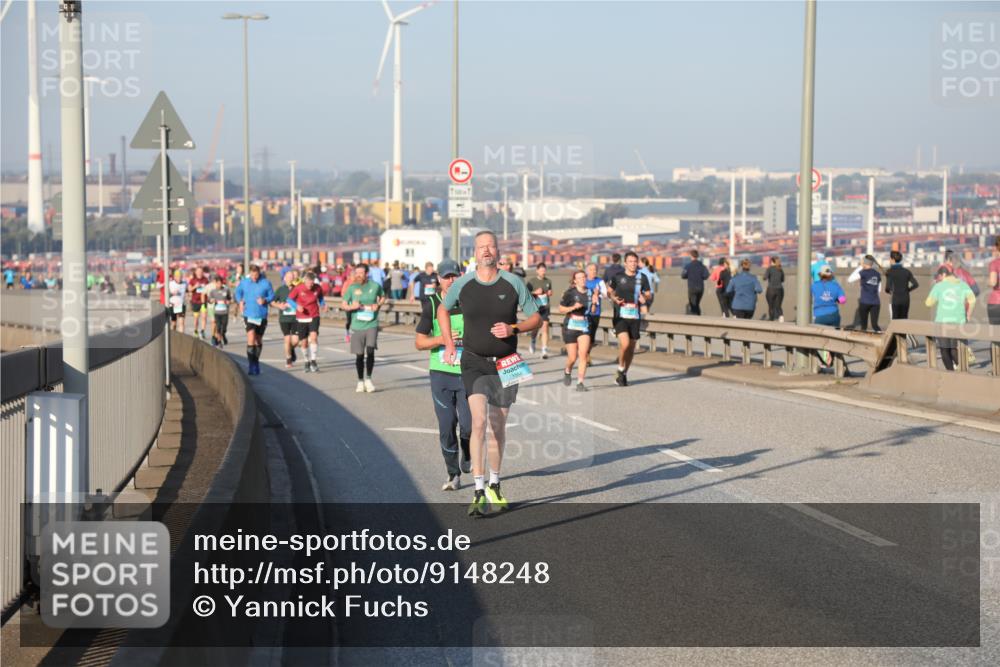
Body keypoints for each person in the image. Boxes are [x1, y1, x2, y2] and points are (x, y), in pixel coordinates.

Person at [438, 231, 541, 517]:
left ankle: (495, 483)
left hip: (506, 362)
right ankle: (479, 489)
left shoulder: (512, 283)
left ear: (498, 251)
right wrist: (448, 342)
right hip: (474, 361)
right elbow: (442, 311)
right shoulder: (463, 284)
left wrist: (514, 329)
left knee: (497, 426)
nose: (486, 251)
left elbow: (536, 317)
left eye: (490, 246)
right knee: (478, 422)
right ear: (475, 252)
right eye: (481, 247)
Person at [414, 259, 471, 491]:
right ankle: (452, 474)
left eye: (454, 276)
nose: (451, 280)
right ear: (438, 278)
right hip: (441, 373)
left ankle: (467, 453)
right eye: (446, 276)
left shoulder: (470, 303)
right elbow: (419, 342)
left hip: (468, 371)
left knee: (468, 426)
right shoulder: (432, 304)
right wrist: (444, 339)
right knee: (447, 426)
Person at [607, 251, 652, 387]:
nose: (633, 264)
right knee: (625, 343)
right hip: (620, 314)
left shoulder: (642, 277)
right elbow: (610, 291)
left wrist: (645, 297)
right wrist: (614, 298)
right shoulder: (618, 276)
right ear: (625, 263)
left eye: (635, 261)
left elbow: (648, 293)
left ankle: (624, 374)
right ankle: (621, 368)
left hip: (634, 315)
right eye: (630, 261)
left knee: (631, 348)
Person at [340, 263, 386, 392]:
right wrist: (351, 307)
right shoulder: (352, 288)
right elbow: (343, 305)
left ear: (366, 274)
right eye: (357, 273)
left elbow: (383, 297)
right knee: (359, 355)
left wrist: (378, 304)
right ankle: (360, 381)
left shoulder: (375, 286)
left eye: (361, 273)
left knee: (370, 350)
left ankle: (369, 379)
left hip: (371, 323)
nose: (358, 275)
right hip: (357, 325)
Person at [926, 266, 976, 371]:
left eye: (938, 276)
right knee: (954, 349)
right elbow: (972, 300)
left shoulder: (939, 286)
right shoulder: (962, 284)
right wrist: (968, 315)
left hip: (942, 322)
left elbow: (928, 303)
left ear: (943, 275)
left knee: (944, 350)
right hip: (959, 321)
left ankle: (950, 374)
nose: (938, 279)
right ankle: (963, 372)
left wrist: (936, 289)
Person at [234, 264, 275, 376]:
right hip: (249, 314)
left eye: (256, 275)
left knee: (258, 340)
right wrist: (240, 301)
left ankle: (256, 362)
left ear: (259, 273)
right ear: (250, 273)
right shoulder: (245, 282)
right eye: (252, 275)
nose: (254, 277)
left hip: (261, 315)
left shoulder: (266, 283)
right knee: (251, 337)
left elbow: (272, 296)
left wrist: (265, 300)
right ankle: (251, 365)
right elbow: (237, 292)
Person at [559, 270, 593, 391]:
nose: (583, 279)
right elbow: (561, 309)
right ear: (575, 280)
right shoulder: (570, 293)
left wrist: (594, 303)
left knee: (583, 355)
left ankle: (580, 383)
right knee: (572, 358)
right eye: (580, 278)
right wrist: (573, 307)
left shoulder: (590, 292)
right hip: (571, 325)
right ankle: (567, 370)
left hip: (584, 325)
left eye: (584, 277)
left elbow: (592, 309)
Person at [288, 271, 326, 373]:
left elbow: (321, 297)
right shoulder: (298, 288)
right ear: (305, 281)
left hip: (314, 315)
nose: (311, 285)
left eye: (312, 282)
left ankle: (313, 361)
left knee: (314, 337)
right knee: (303, 343)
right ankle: (306, 361)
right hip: (302, 317)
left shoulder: (317, 287)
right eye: (309, 282)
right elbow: (289, 300)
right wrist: (297, 306)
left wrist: (323, 304)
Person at [272, 269, 301, 368]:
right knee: (287, 339)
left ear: (294, 279)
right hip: (284, 319)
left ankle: (291, 349)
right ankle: (288, 359)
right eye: (288, 277)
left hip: (295, 318)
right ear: (284, 278)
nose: (290, 279)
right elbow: (272, 302)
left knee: (295, 340)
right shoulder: (280, 289)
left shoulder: (297, 289)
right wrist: (279, 306)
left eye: (291, 277)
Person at [848, 255, 883, 332]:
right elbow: (879, 290)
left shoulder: (863, 273)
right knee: (875, 325)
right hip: (876, 302)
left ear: (864, 263)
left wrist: (860, 267)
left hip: (864, 302)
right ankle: (883, 340)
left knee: (864, 326)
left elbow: (850, 279)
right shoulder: (877, 274)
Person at [526, 263, 553, 358]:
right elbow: (526, 294)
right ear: (537, 271)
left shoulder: (548, 281)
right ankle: (533, 340)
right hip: (535, 308)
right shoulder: (532, 281)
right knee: (536, 328)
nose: (543, 272)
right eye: (541, 270)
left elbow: (550, 291)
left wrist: (550, 293)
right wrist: (535, 292)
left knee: (545, 327)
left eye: (544, 270)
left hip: (545, 307)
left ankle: (544, 350)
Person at [884, 250, 919, 320]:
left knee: (895, 319)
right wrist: (907, 290)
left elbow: (887, 288)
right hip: (905, 299)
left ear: (893, 259)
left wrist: (890, 291)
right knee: (904, 319)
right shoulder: (906, 272)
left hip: (895, 299)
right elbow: (916, 284)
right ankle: (904, 331)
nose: (889, 260)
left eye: (890, 259)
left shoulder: (889, 272)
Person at [584, 263, 608, 363]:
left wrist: (598, 294)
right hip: (584, 313)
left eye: (595, 270)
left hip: (595, 313)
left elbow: (605, 295)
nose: (593, 271)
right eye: (591, 269)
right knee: (586, 335)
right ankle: (585, 356)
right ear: (587, 271)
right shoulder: (583, 281)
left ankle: (587, 353)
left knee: (592, 337)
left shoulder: (600, 281)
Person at [681, 249, 710, 315]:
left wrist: (689, 276)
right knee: (697, 303)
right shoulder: (702, 266)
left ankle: (695, 318)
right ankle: (698, 316)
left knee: (693, 304)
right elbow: (706, 276)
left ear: (691, 256)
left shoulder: (688, 266)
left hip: (692, 287)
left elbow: (683, 275)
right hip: (700, 288)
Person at [207, 274, 232, 347]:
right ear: (215, 283)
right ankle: (219, 341)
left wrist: (228, 301)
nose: (219, 284)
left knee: (224, 327)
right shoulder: (213, 291)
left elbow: (230, 299)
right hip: (217, 312)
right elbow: (209, 300)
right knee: (218, 327)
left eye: (220, 283)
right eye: (217, 283)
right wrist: (211, 301)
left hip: (224, 312)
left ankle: (223, 334)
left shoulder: (226, 290)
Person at [188, 265, 210, 339]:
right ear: (196, 272)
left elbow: (209, 289)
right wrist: (195, 286)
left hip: (203, 301)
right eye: (198, 271)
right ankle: (195, 330)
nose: (199, 273)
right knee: (196, 318)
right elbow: (189, 289)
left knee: (204, 317)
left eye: (201, 271)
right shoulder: (192, 280)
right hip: (195, 301)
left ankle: (203, 331)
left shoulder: (205, 280)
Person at [763, 256, 785, 322]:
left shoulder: (769, 268)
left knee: (771, 306)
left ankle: (771, 318)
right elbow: (782, 280)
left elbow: (765, 278)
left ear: (772, 262)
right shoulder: (780, 269)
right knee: (778, 305)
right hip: (780, 289)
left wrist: (765, 277)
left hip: (771, 289)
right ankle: (781, 317)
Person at [989, 237, 1000, 325]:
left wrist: (988, 283)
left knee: (995, 334)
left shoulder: (994, 263)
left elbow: (993, 282)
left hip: (996, 303)